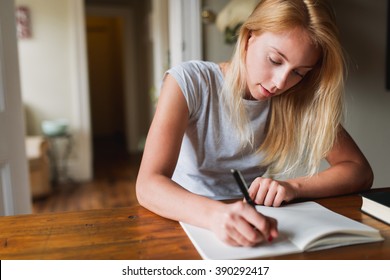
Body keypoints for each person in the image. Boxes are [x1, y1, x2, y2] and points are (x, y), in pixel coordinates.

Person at [136, 0, 373, 247]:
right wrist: (216, 215)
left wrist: (293, 187)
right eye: (275, 59)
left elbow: (359, 170)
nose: (281, 82)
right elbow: (148, 185)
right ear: (249, 37)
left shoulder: (294, 98)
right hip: (184, 219)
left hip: (252, 222)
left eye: (299, 72)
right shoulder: (189, 82)